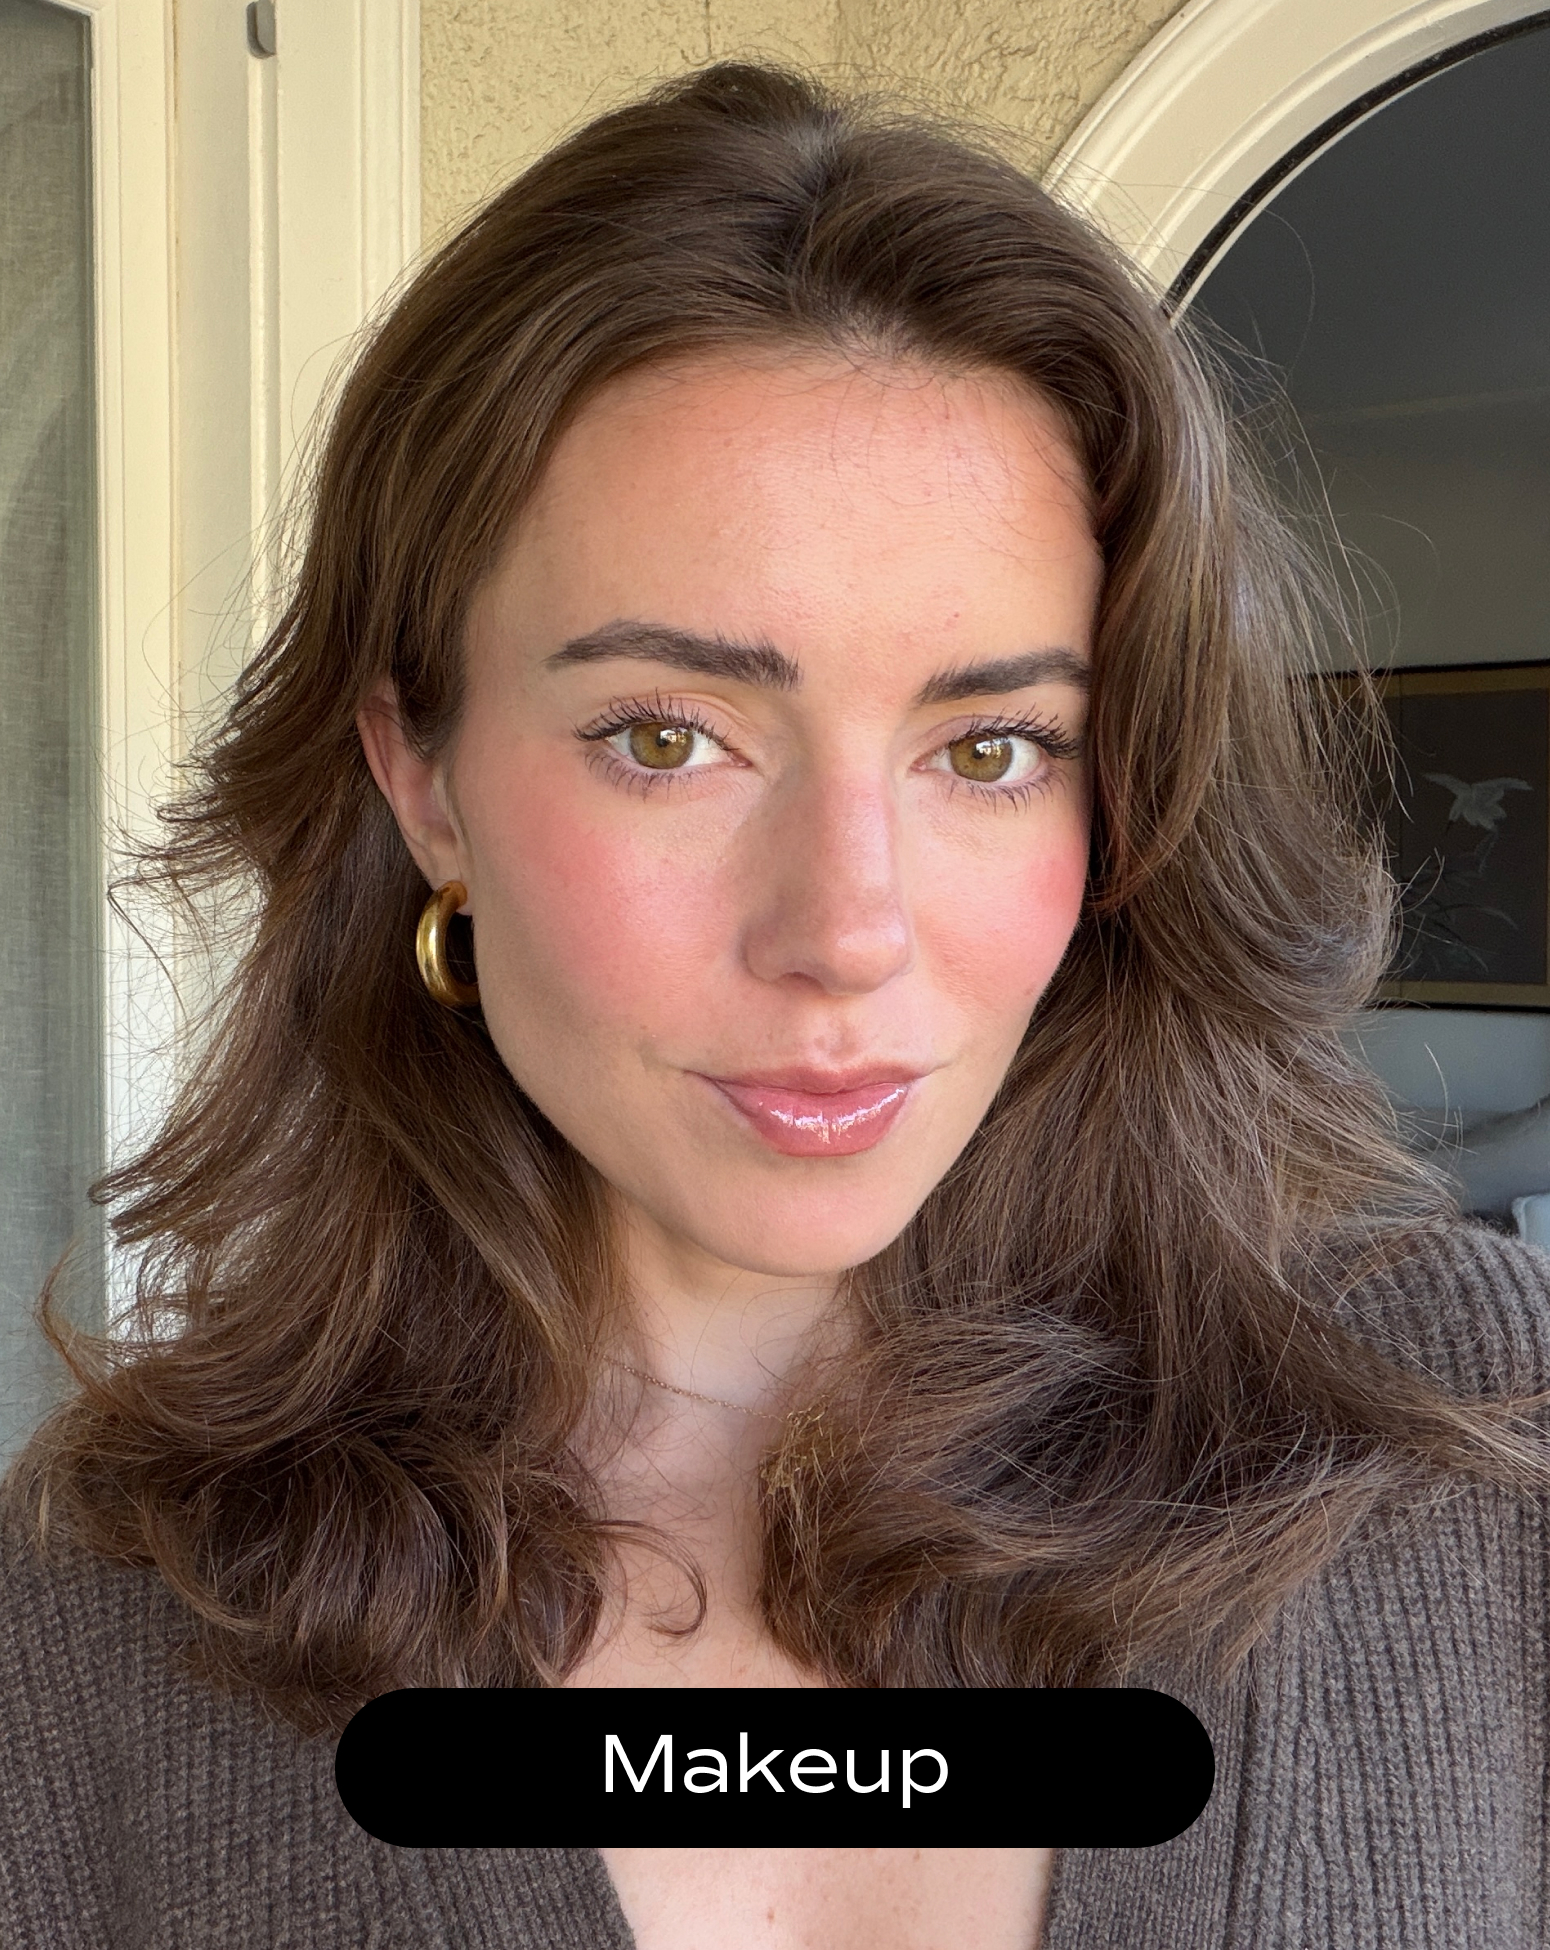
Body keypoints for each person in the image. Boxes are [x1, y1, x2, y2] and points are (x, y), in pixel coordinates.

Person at [2, 60, 1546, 1950]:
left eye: (988, 746)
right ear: (424, 779)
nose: (846, 931)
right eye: (669, 737)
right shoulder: (98, 1611)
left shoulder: (1477, 1443)